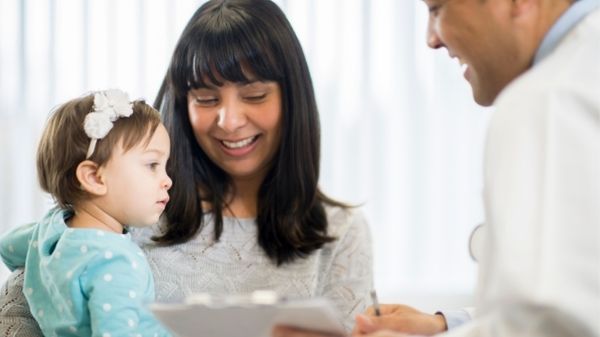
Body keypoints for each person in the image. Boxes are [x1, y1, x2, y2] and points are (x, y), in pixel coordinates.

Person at [0, 0, 373, 335]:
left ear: (293, 98)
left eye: (255, 95)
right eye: (206, 98)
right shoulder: (126, 206)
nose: (228, 121)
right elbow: (18, 315)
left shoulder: (340, 233)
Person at [273, 0, 600, 336]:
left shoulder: (550, 100)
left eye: (437, 10)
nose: (431, 39)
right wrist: (444, 325)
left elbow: (552, 326)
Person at [0, 89, 173, 336]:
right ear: (94, 177)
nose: (167, 180)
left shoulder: (50, 230)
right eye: (152, 165)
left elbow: (7, 246)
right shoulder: (116, 260)